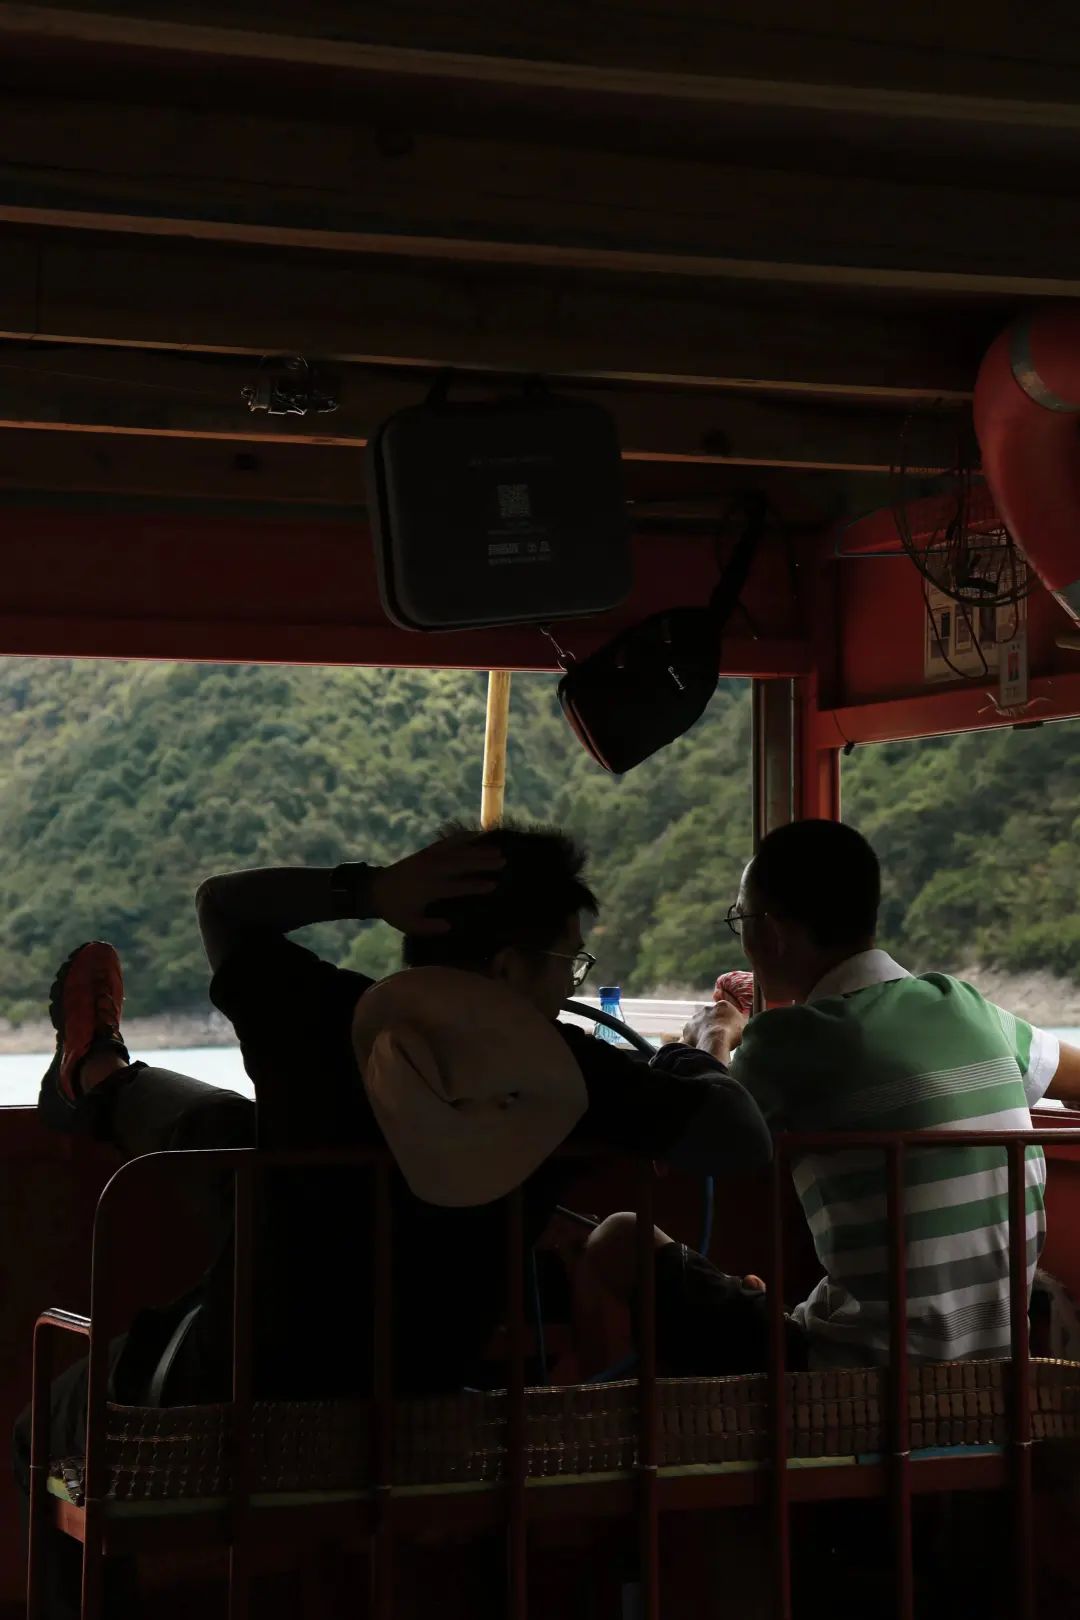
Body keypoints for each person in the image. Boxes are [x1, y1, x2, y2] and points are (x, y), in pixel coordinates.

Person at [15, 824, 771, 1617]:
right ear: (509, 969)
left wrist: (370, 890)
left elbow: (224, 907)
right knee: (231, 1138)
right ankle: (98, 1077)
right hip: (418, 1402)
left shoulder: (323, 1014)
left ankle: (95, 1079)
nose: (568, 984)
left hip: (234, 1389)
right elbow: (740, 1136)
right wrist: (694, 1047)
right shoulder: (571, 1077)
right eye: (567, 963)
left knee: (40, 1433)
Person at [585, 818, 1080, 1372]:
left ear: (771, 932)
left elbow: (701, 1133)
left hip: (855, 1378)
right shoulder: (964, 1003)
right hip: (997, 1369)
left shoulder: (788, 1041)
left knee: (617, 1238)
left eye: (741, 920)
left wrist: (712, 1037)